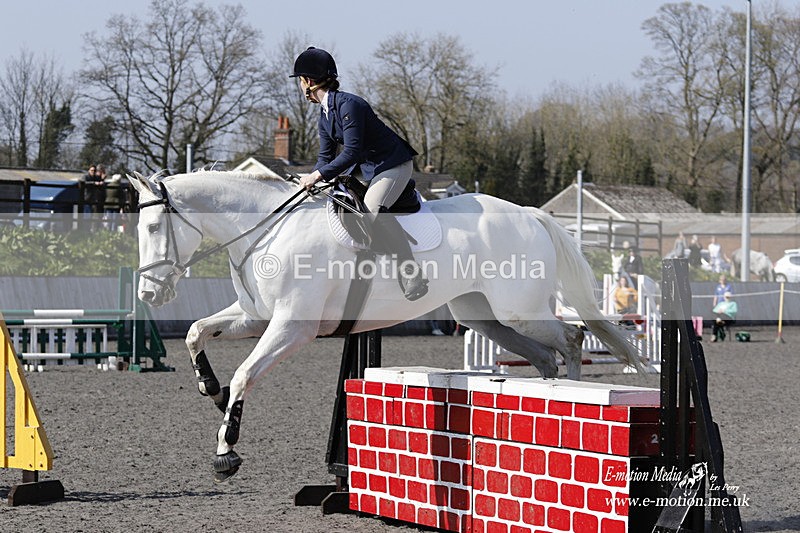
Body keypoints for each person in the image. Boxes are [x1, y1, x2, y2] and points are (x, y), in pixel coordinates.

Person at [291, 47, 427, 301]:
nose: (300, 87)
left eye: (299, 81)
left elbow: (351, 152)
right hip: (368, 168)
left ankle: (411, 273)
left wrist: (318, 175)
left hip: (392, 164)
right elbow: (325, 158)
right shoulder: (324, 115)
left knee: (371, 208)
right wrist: (309, 180)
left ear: (308, 81)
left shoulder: (349, 105)